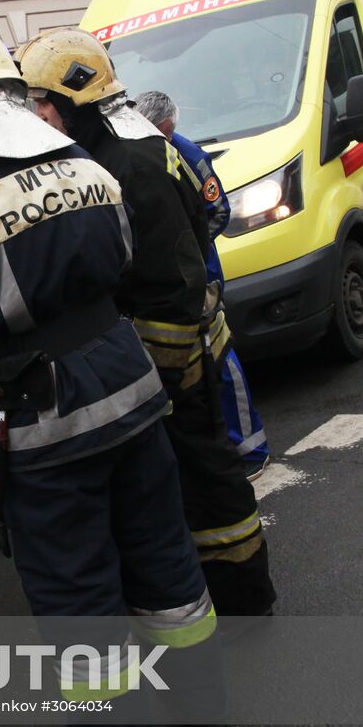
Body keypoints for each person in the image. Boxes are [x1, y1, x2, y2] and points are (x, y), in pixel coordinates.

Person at [0, 19, 224, 727]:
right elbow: (125, 259)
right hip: (129, 387)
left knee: (78, 589)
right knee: (164, 556)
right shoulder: (82, 163)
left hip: (41, 421)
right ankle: (205, 703)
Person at [17, 28, 276, 619]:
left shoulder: (127, 162)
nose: (37, 116)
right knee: (193, 480)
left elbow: (168, 279)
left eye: (41, 102)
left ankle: (244, 599)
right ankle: (230, 593)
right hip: (181, 348)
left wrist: (164, 368)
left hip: (177, 355)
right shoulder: (127, 142)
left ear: (73, 97)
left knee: (207, 481)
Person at [134, 90, 271, 480]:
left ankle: (251, 449)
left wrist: (185, 251)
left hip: (202, 280)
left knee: (221, 361)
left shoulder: (188, 155)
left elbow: (219, 212)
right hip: (167, 286)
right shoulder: (140, 154)